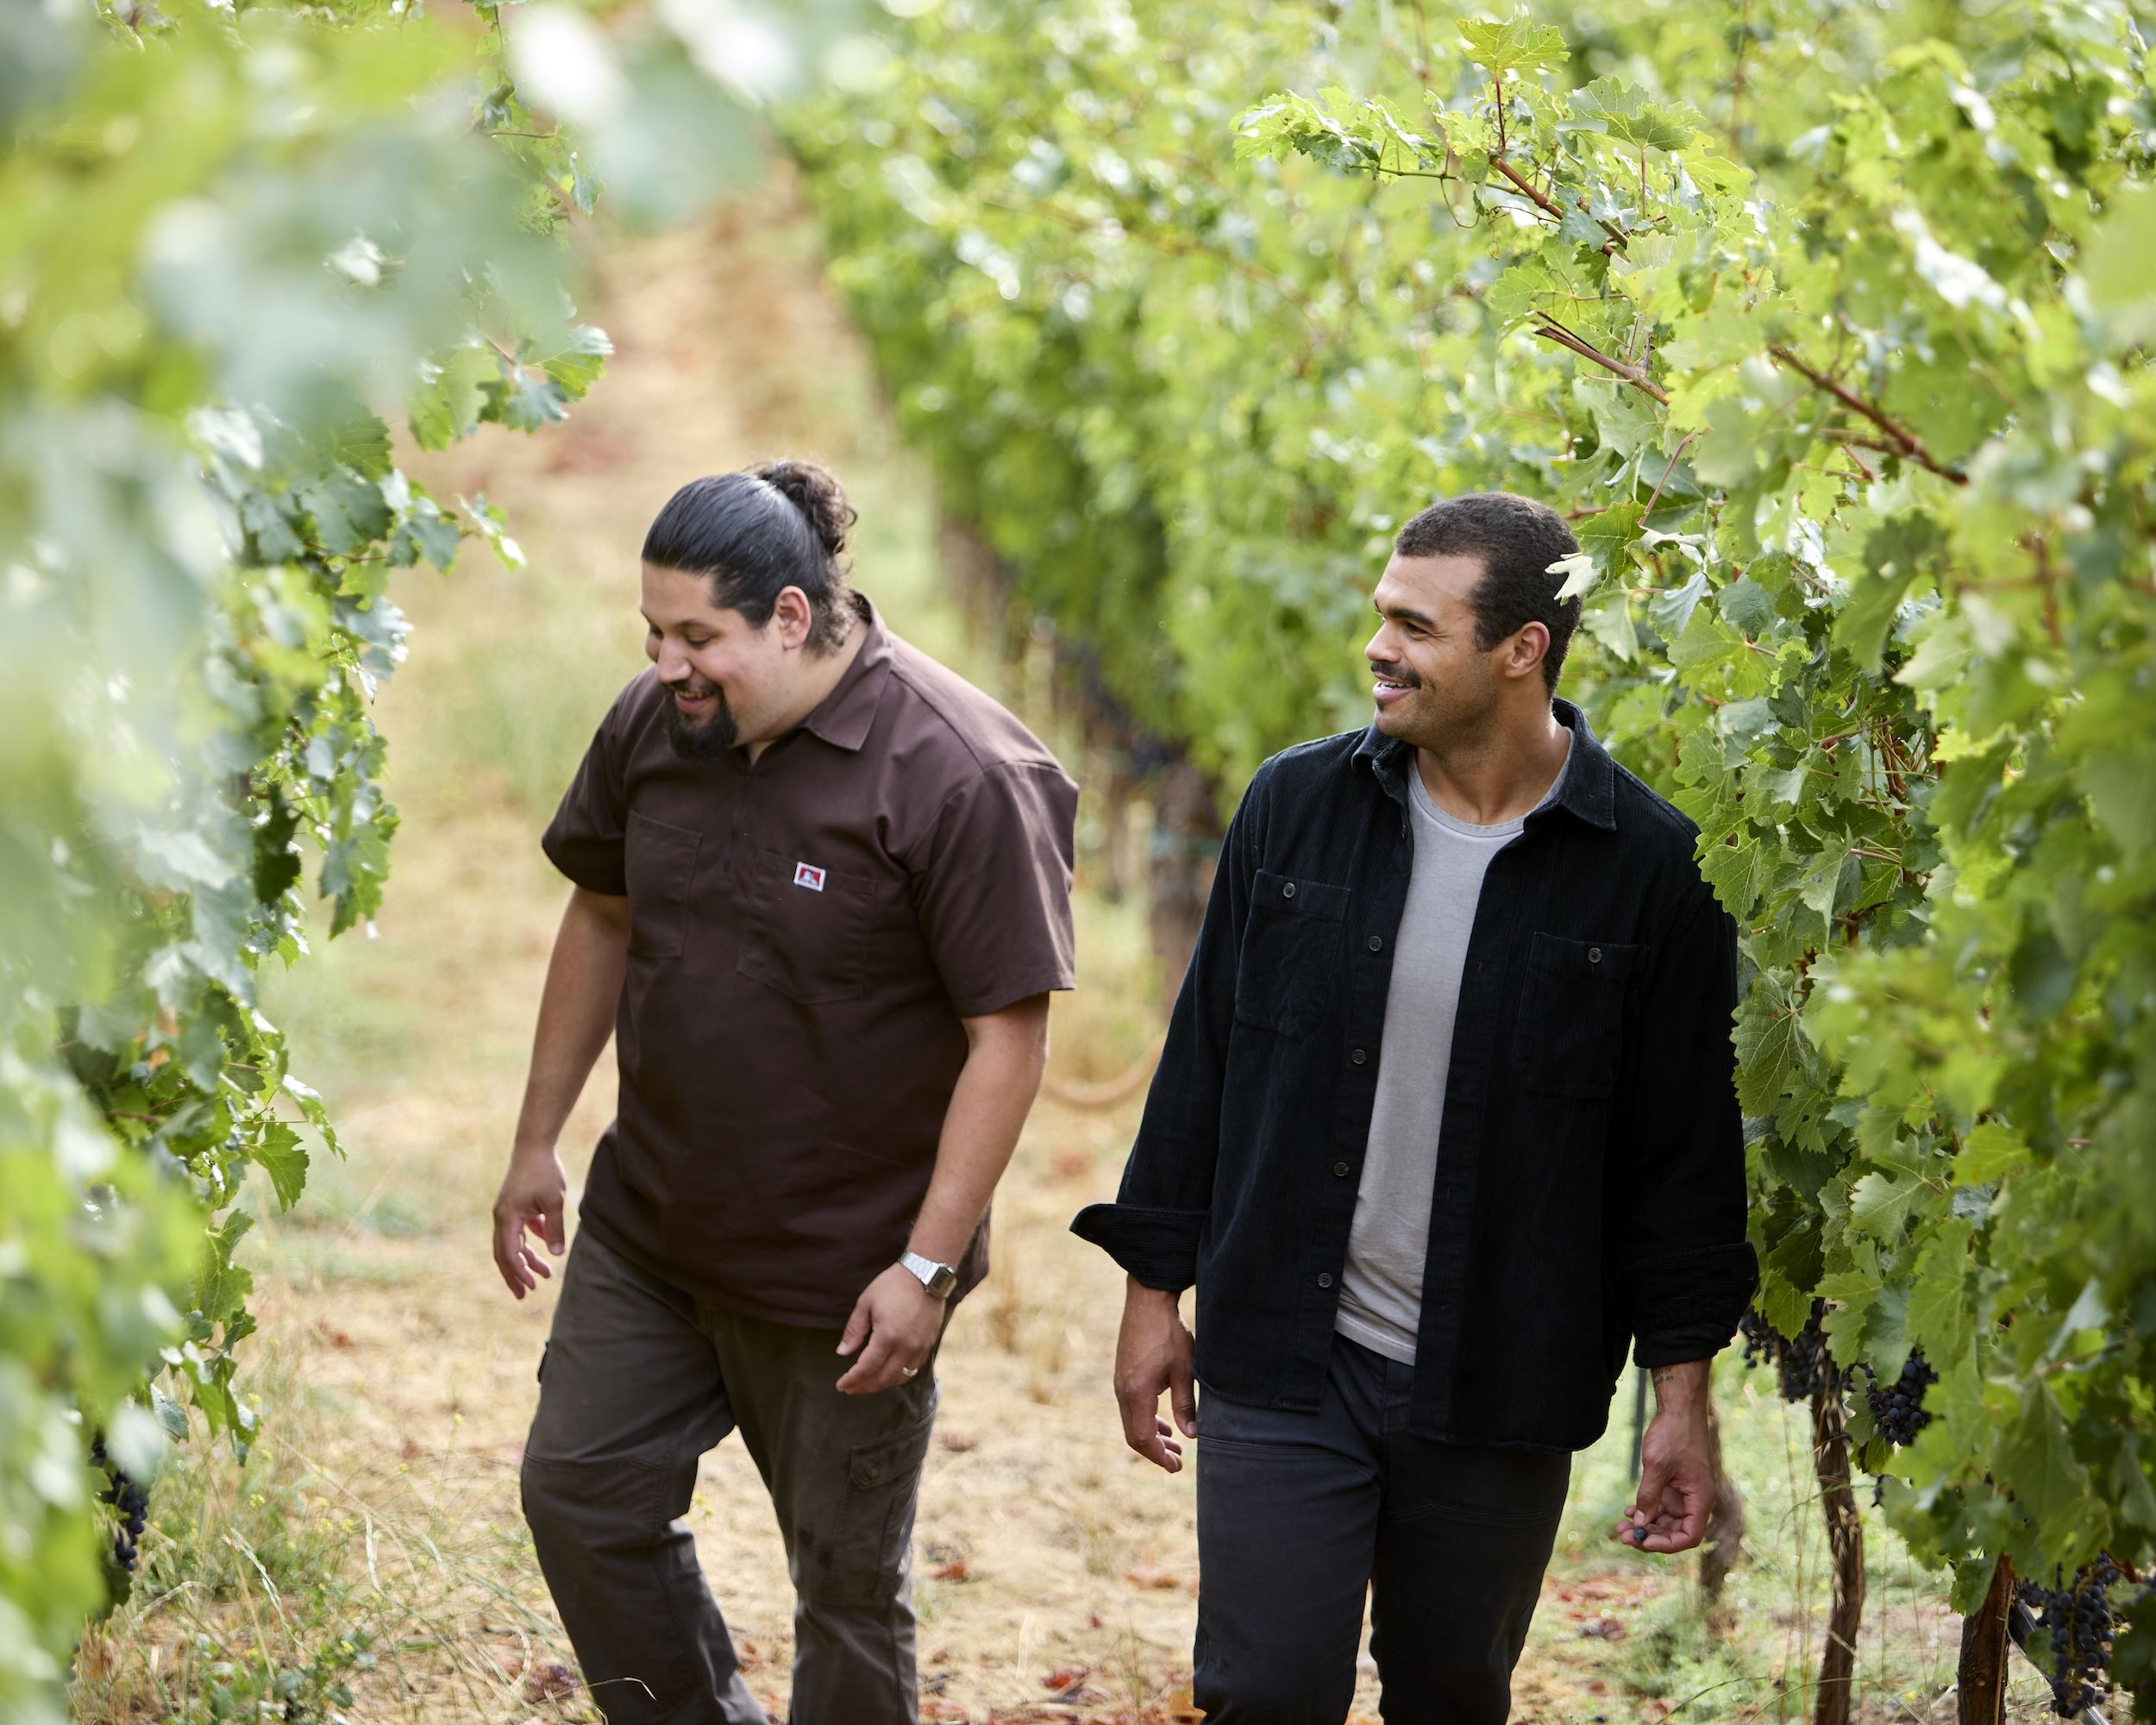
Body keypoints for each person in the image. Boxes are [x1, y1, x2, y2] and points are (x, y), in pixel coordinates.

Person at [1072, 492, 1757, 1723]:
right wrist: (1150, 1295)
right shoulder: (1297, 808)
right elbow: (1204, 1068)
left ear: (1520, 650)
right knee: (1264, 1692)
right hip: (1284, 1353)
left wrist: (1682, 1402)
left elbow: (1682, 1168)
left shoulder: (1650, 872)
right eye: (1381, 617)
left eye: (1415, 626)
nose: (1379, 648)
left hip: (1499, 1381)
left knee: (1450, 1695)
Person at [495, 460, 1078, 1725]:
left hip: (845, 1279)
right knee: (580, 1496)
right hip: (651, 1232)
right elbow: (600, 912)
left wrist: (923, 1271)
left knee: (846, 1593)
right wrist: (537, 1139)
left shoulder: (961, 770)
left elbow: (1008, 1042)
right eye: (651, 633)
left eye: (698, 636)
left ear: (795, 618)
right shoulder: (660, 726)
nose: (666, 665)